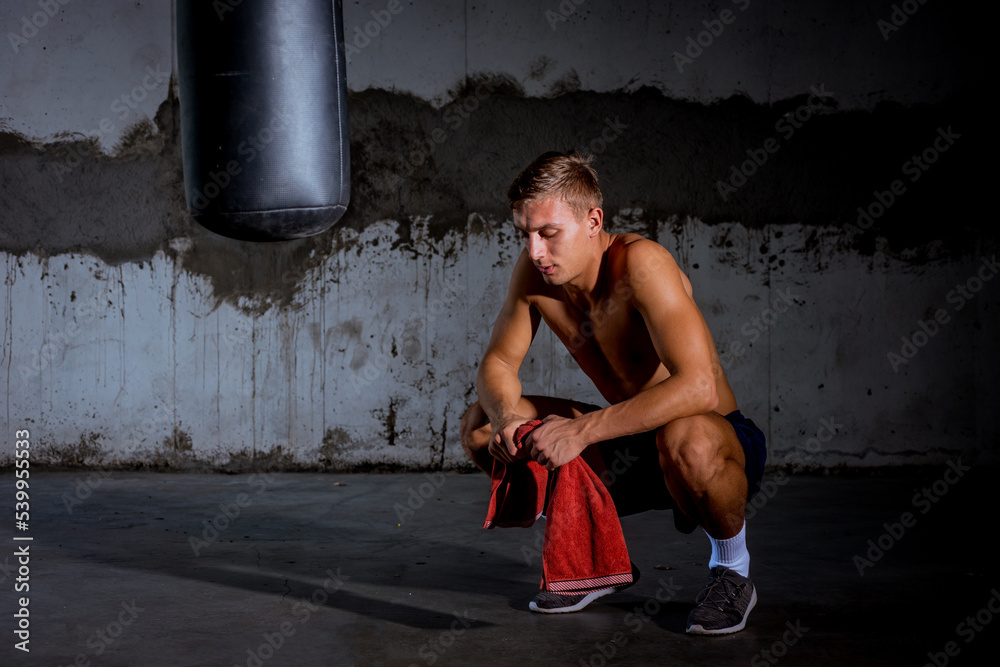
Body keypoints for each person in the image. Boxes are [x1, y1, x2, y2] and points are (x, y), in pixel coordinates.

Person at [459, 150, 767, 635]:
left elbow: (699, 385)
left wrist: (581, 430)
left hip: (715, 442)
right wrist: (504, 420)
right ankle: (589, 563)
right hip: (633, 440)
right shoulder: (535, 274)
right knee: (479, 424)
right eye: (526, 234)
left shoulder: (642, 263)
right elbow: (498, 363)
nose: (535, 250)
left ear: (592, 220)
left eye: (548, 233)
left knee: (687, 437)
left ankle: (732, 571)